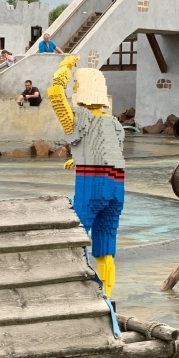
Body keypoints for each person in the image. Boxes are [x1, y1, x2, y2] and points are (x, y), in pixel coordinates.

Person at [47, 56, 125, 298]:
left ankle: (70, 290)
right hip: (117, 187)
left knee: (75, 236)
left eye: (78, 86)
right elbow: (110, 151)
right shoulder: (115, 124)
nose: (75, 91)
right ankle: (106, 296)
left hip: (91, 186)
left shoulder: (80, 119)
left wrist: (65, 69)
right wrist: (78, 158)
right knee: (106, 241)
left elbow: (55, 95)